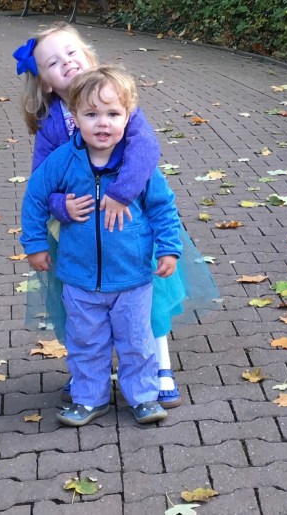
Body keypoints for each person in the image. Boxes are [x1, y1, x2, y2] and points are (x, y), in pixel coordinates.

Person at [13, 23, 184, 408]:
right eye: (53, 62)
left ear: (88, 56)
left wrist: (122, 194)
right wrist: (62, 207)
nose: (66, 63)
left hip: (132, 223)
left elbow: (145, 150)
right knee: (83, 308)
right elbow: (41, 183)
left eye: (71, 53)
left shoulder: (117, 98)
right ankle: (89, 377)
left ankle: (160, 366)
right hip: (81, 230)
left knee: (146, 301)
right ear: (44, 82)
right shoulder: (52, 123)